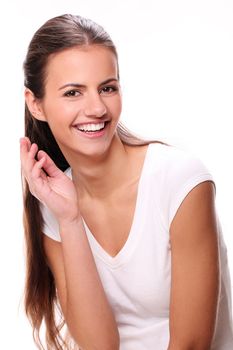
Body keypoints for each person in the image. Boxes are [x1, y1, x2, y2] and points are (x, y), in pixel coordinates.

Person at [20, 14, 233, 350]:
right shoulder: (54, 205)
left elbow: (191, 344)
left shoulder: (179, 182)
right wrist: (70, 219)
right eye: (73, 92)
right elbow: (100, 345)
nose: (96, 108)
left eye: (107, 88)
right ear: (36, 104)